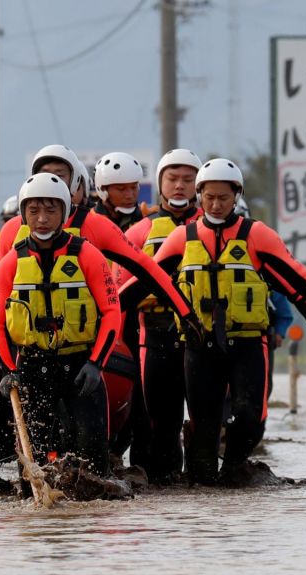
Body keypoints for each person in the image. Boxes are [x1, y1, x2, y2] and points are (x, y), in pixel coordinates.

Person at [120, 158, 306, 485]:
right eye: (209, 197)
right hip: (200, 348)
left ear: (236, 196)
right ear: (200, 196)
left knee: (251, 421)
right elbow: (142, 281)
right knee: (204, 431)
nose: (216, 204)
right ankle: (206, 502)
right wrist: (105, 314)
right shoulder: (182, 238)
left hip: (248, 344)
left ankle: (235, 467)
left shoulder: (257, 234)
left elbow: (301, 277)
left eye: (224, 197)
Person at [0, 173, 121, 476]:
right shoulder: (11, 263)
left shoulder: (88, 255)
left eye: (50, 210)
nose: (42, 219)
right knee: (32, 459)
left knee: (92, 458)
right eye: (33, 211)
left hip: (80, 367)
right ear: (23, 215)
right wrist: (8, 370)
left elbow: (112, 312)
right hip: (33, 367)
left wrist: (96, 364)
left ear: (64, 212)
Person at [0, 144, 200, 335]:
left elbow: (146, 268)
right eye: (44, 175)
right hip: (27, 346)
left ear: (74, 181)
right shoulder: (11, 230)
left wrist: (185, 312)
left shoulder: (95, 225)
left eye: (59, 175)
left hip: (82, 345)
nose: (51, 181)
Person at [120, 148, 204, 483]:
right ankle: (154, 490)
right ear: (160, 184)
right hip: (154, 334)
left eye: (188, 179)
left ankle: (202, 483)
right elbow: (118, 288)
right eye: (173, 178)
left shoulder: (215, 229)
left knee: (203, 418)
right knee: (155, 421)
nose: (180, 186)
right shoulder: (140, 231)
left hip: (202, 336)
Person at [94, 151, 145, 232]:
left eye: (134, 187)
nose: (130, 195)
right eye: (121, 189)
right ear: (103, 189)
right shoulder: (89, 222)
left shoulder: (148, 220)